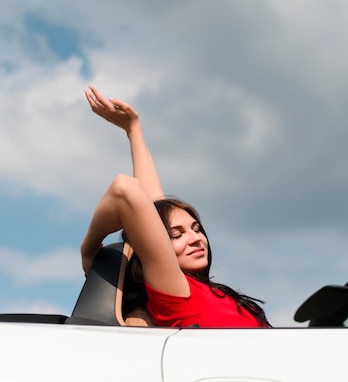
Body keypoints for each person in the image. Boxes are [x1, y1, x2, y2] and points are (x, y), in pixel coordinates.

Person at [81, 86, 270, 328]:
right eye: (177, 235)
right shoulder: (175, 294)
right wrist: (89, 249)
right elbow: (124, 190)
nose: (195, 238)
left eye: (196, 229)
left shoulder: (210, 292)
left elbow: (156, 205)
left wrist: (134, 129)